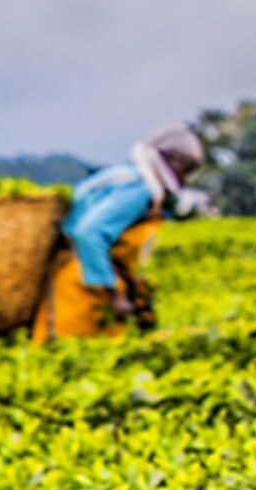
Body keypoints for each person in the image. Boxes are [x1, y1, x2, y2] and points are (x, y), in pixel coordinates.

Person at [31, 124, 213, 344]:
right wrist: (113, 294)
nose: (185, 179)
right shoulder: (139, 188)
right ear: (170, 159)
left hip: (85, 276)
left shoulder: (126, 177)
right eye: (187, 170)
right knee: (73, 352)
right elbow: (89, 233)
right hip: (83, 282)